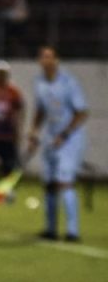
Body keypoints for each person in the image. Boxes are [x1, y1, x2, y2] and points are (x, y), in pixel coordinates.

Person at [28, 45, 89, 242]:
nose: (46, 61)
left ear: (56, 60)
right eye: (42, 57)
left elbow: (82, 112)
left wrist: (64, 134)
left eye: (49, 57)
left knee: (65, 182)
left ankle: (72, 232)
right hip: (51, 137)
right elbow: (40, 110)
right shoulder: (39, 83)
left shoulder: (68, 82)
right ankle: (51, 229)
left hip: (69, 139)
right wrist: (34, 132)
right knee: (50, 184)